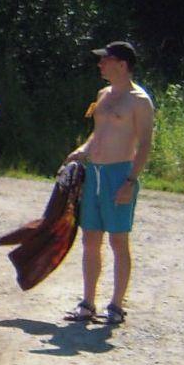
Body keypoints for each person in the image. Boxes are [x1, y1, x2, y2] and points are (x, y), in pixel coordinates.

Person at [62, 41, 154, 325]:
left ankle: (115, 305)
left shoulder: (139, 100)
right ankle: (87, 303)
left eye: (106, 59)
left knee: (118, 240)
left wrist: (130, 181)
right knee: (90, 238)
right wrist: (82, 150)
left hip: (119, 173)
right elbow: (97, 133)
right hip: (96, 173)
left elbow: (145, 144)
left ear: (122, 65)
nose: (100, 64)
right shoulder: (103, 94)